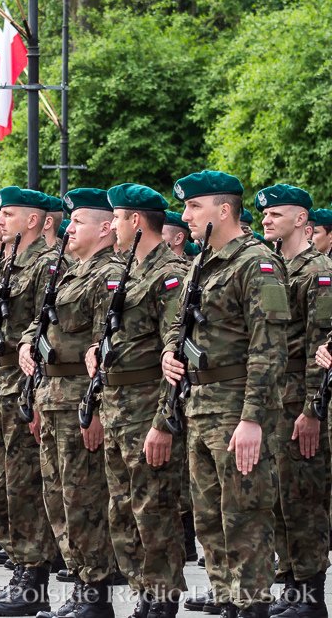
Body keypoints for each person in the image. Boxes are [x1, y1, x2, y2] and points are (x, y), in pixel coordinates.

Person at [161, 171, 288, 618]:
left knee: (245, 518)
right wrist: (170, 351)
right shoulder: (203, 262)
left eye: (194, 206)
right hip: (199, 407)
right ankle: (226, 600)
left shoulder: (257, 263)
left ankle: (250, 606)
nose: (185, 216)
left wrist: (252, 418)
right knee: (210, 520)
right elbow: (179, 321)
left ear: (225, 210)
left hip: (236, 408)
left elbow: (269, 348)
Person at [19, 188, 121, 618]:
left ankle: (95, 593)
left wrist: (94, 409)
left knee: (85, 501)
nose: (69, 228)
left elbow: (105, 345)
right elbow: (40, 323)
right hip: (53, 397)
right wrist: (26, 344)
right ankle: (80, 583)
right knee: (59, 498)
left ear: (105, 228)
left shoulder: (109, 274)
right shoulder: (69, 272)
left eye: (78, 221)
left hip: (80, 400)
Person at [91, 184, 190, 618]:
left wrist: (163, 422)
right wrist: (98, 349)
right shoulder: (130, 268)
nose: (111, 225)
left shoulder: (170, 273)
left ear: (136, 221)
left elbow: (176, 353)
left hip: (147, 408)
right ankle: (143, 593)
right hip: (117, 406)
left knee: (154, 511)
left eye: (116, 217)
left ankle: (163, 599)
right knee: (123, 511)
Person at [0, 187, 63, 617]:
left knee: (25, 486)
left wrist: (38, 397)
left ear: (33, 221)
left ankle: (33, 579)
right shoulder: (7, 263)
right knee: (3, 486)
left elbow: (49, 333)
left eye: (7, 214)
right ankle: (17, 568)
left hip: (24, 388)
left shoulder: (47, 265)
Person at [255, 185, 330, 618]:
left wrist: (312, 409)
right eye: (264, 215)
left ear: (301, 219)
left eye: (275, 215)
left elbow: (322, 345)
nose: (266, 220)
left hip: (300, 398)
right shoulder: (274, 266)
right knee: (279, 497)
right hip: (274, 398)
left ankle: (310, 594)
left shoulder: (318, 270)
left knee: (303, 499)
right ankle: (290, 585)